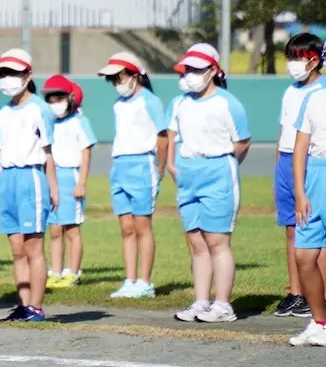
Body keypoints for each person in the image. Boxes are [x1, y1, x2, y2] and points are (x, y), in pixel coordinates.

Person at [167, 43, 251, 324]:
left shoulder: (228, 103)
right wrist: (171, 164)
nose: (190, 74)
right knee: (196, 242)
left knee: (217, 241)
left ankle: (223, 305)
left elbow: (242, 141)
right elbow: (172, 134)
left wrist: (222, 165)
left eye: (197, 69)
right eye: (187, 68)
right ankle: (201, 301)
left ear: (213, 70)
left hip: (218, 172)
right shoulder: (179, 102)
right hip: (187, 173)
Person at [0, 48, 58, 324]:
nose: (8, 78)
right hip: (6, 178)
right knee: (17, 249)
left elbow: (49, 152)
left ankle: (36, 307)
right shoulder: (4, 112)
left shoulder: (39, 109)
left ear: (28, 75)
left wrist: (53, 187)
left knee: (33, 248)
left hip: (30, 177)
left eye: (14, 73)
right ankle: (22, 305)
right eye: (4, 73)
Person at [98, 51, 166, 299]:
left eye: (120, 77)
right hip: (120, 166)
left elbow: (163, 136)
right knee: (126, 227)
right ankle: (130, 280)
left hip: (142, 165)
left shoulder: (150, 101)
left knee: (142, 226)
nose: (117, 83)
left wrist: (159, 170)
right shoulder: (118, 105)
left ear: (135, 75)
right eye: (113, 79)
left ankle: (145, 282)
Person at [276, 33, 326, 319]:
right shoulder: (290, 91)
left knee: (315, 232)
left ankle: (317, 296)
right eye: (289, 57)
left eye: (298, 58)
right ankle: (296, 292)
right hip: (287, 160)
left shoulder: (319, 92)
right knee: (292, 229)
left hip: (312, 162)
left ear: (314, 60)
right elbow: (286, 132)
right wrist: (278, 166)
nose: (292, 64)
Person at [43, 75, 97, 290]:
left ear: (70, 98)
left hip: (71, 176)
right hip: (52, 177)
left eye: (59, 99)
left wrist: (81, 183)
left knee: (71, 229)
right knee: (55, 229)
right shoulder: (49, 122)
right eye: (51, 100)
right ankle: (55, 272)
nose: (55, 104)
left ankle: (73, 272)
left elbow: (86, 152)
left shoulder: (80, 122)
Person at [290, 67, 326, 346]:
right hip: (314, 178)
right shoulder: (314, 98)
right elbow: (300, 147)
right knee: (304, 256)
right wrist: (301, 192)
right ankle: (318, 322)